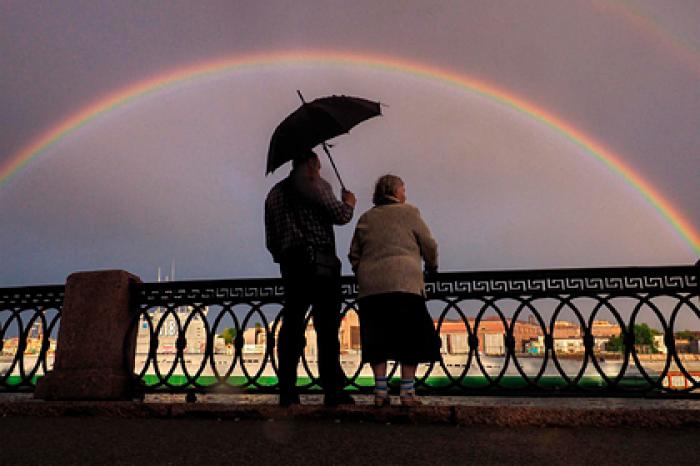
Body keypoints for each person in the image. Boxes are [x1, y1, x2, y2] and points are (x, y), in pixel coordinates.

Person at [265, 149, 357, 407]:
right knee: (327, 328)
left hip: (290, 267)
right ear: (310, 164)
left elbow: (271, 241)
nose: (319, 170)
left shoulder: (274, 194)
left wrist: (285, 257)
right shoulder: (316, 185)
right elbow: (340, 216)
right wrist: (348, 201)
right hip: (321, 266)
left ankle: (287, 390)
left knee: (292, 325)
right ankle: (332, 390)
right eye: (317, 165)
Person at [348, 174, 440, 407]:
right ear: (396, 192)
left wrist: (365, 273)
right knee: (410, 338)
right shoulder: (409, 213)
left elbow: (354, 254)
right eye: (403, 189)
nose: (405, 193)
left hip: (372, 289)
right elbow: (429, 244)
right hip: (405, 285)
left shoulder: (366, 218)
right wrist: (432, 266)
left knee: (377, 339)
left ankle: (381, 393)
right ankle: (407, 394)